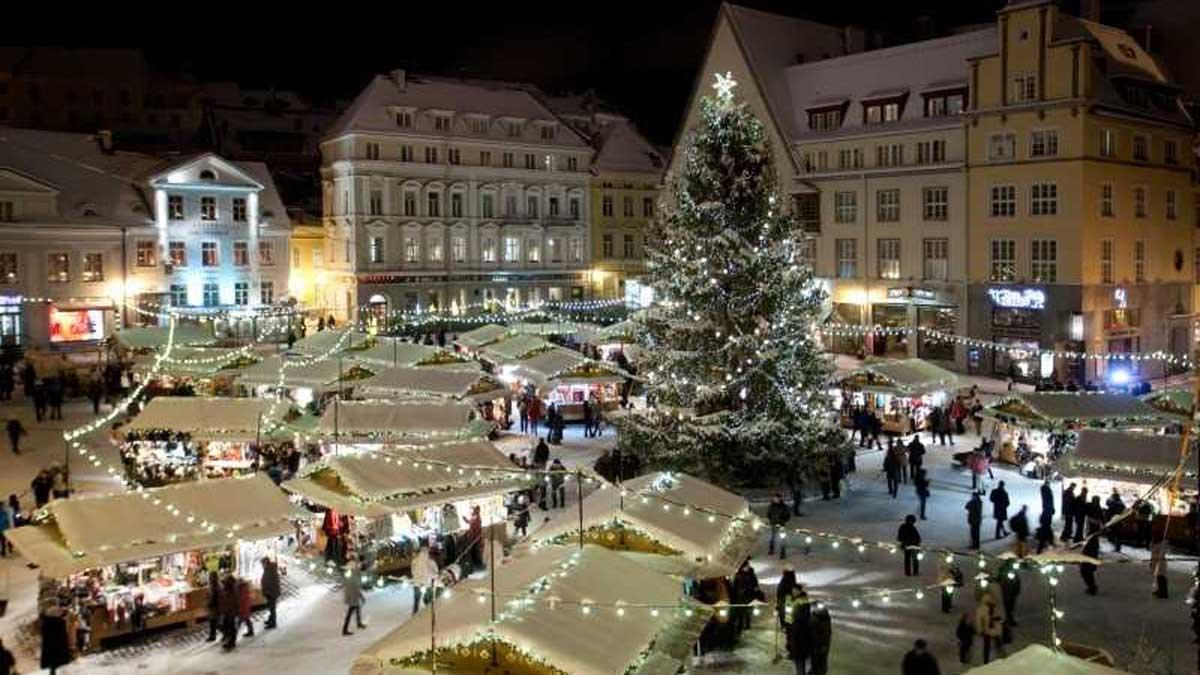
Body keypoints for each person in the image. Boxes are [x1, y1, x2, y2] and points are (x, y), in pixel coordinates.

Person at [786, 585, 812, 675]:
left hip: (801, 632)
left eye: (796, 590)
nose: (794, 592)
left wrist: (793, 624)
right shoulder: (790, 599)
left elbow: (804, 617)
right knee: (798, 655)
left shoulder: (803, 601)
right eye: (793, 590)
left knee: (800, 656)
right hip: (793, 630)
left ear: (800, 591)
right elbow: (788, 613)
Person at [40, 604, 71, 674]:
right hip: (59, 647)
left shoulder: (45, 624)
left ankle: (53, 671)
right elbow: (63, 636)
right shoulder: (60, 623)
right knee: (60, 665)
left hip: (49, 647)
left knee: (53, 665)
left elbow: (44, 635)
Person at [975, 593, 1005, 664]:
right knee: (992, 645)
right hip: (989, 630)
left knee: (992, 645)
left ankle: (988, 660)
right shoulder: (985, 609)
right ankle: (989, 660)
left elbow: (979, 621)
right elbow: (979, 621)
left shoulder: (983, 609)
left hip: (990, 630)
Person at [410, 541, 438, 614]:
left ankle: (414, 614)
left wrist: (416, 577)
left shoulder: (415, 561)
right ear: (428, 550)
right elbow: (435, 572)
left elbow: (413, 571)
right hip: (427, 584)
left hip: (417, 583)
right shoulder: (431, 561)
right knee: (428, 601)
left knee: (416, 600)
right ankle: (427, 614)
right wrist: (434, 577)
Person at [342, 558, 368, 635]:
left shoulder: (352, 574)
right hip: (353, 597)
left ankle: (359, 623)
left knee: (357, 609)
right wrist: (362, 597)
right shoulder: (355, 576)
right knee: (350, 613)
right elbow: (357, 589)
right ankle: (345, 630)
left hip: (352, 596)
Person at [808, 602, 832, 675]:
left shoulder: (816, 618)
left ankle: (817, 672)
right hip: (821, 644)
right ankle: (816, 671)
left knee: (818, 660)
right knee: (819, 661)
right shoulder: (825, 618)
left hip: (818, 644)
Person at [219, 574, 239, 649]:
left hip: (231, 611)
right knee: (227, 626)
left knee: (231, 627)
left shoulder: (232, 589)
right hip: (227, 611)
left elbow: (233, 601)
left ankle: (231, 642)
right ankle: (229, 641)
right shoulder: (227, 589)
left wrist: (234, 610)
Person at [260, 557, 281, 629]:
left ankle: (273, 623)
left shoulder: (270, 569)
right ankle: (270, 620)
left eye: (262, 564)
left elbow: (270, 582)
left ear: (265, 563)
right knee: (271, 607)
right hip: (270, 592)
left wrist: (267, 591)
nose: (262, 565)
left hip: (272, 593)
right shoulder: (269, 569)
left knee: (272, 608)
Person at [767, 494, 791, 558]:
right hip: (774, 524)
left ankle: (783, 552)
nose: (776, 499)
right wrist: (771, 521)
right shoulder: (771, 506)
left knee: (782, 539)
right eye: (774, 498)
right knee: (772, 538)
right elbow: (768, 514)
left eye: (777, 498)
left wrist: (784, 520)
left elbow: (788, 515)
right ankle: (771, 549)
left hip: (781, 524)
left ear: (780, 499)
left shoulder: (784, 506)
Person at [205, 571, 221, 641]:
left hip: (215, 608)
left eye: (210, 577)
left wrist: (209, 603)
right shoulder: (213, 586)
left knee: (215, 623)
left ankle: (225, 634)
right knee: (213, 623)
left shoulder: (216, 587)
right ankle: (212, 636)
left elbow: (213, 598)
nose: (209, 578)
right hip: (213, 608)